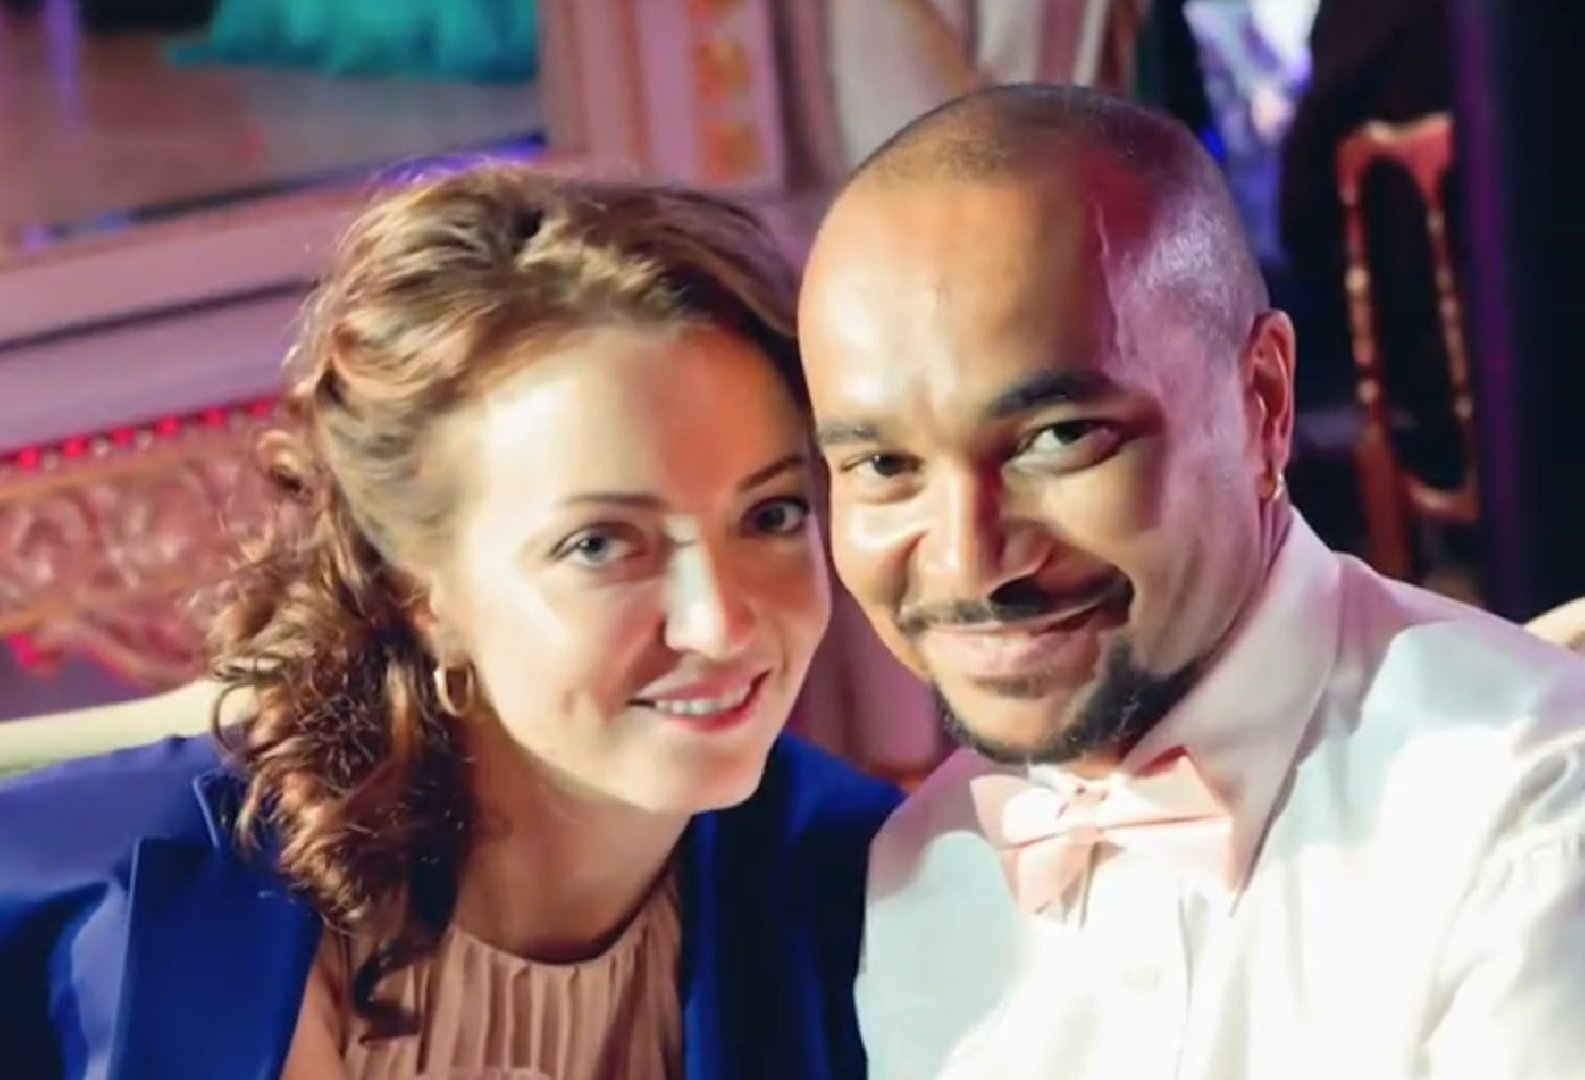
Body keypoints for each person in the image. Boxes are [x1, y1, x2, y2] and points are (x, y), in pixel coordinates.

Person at [0, 166, 899, 1079]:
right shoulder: (189, 911)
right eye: (599, 545)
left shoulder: (857, 884)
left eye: (770, 515)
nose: (719, 625)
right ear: (417, 592)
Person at [797, 83, 1585, 1078]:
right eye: (883, 465)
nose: (967, 561)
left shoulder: (1529, 807)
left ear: (1263, 402)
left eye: (1058, 438)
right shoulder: (917, 865)